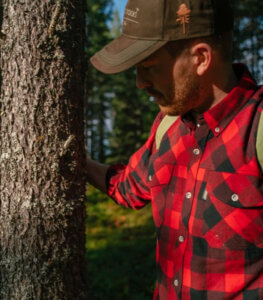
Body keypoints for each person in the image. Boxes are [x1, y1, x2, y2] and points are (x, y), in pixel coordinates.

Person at [87, 0, 263, 299]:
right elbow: (128, 187)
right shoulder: (168, 126)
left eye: (150, 67)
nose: (141, 83)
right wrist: (72, 161)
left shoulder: (257, 131)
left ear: (201, 58)